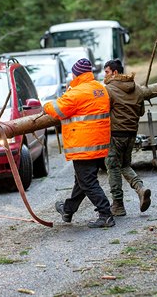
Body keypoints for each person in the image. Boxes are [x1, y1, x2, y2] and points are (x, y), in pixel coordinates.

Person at [44, 58, 115, 228]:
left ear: (76, 74)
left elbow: (57, 109)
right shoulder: (99, 88)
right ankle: (67, 210)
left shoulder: (77, 93)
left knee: (87, 182)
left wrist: (45, 105)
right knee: (82, 181)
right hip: (99, 143)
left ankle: (105, 214)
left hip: (84, 145)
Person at [103, 59, 151, 216]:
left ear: (115, 73)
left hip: (115, 135)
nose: (105, 76)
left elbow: (103, 111)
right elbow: (141, 112)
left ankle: (118, 205)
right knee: (124, 165)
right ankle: (140, 188)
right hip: (131, 134)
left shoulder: (109, 89)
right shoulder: (137, 88)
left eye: (107, 72)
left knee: (113, 168)